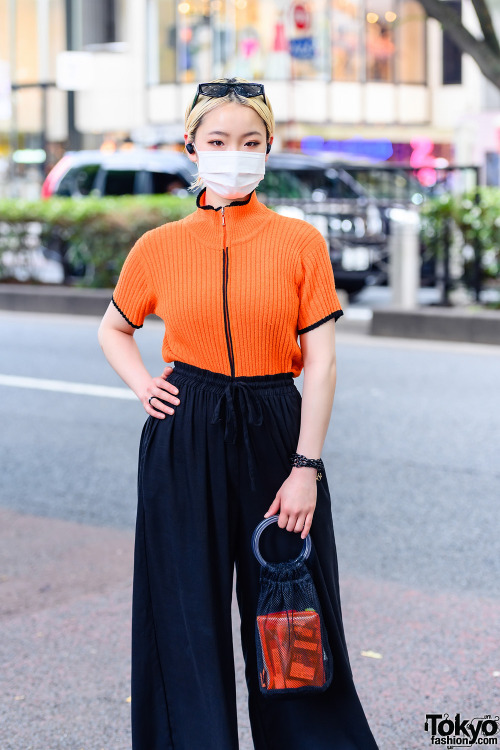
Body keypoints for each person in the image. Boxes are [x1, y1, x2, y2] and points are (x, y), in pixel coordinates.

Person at [97, 76, 379, 750]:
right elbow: (113, 327)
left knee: (291, 607)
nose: (234, 152)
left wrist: (305, 467)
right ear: (191, 147)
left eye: (250, 141)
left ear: (268, 148)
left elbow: (323, 363)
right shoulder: (158, 246)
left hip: (276, 429)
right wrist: (142, 384)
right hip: (183, 432)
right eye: (219, 140)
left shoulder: (298, 243)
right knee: (182, 613)